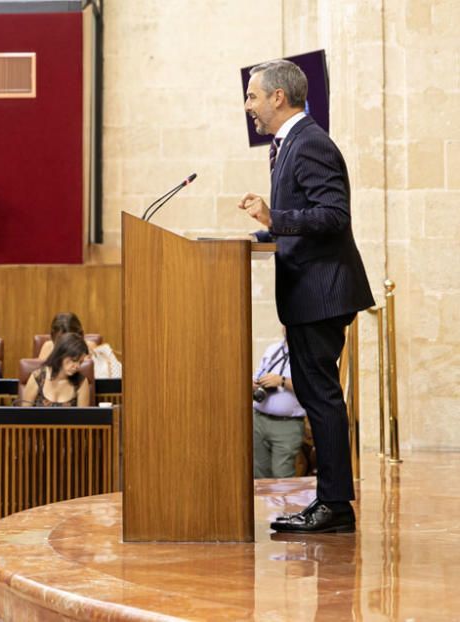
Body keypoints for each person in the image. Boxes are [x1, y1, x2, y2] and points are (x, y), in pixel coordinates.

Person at [239, 59, 374, 534]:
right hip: (310, 292)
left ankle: (335, 506)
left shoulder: (311, 142)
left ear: (279, 96)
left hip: (321, 293)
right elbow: (305, 217)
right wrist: (267, 233)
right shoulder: (288, 144)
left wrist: (276, 219)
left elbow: (333, 214)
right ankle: (331, 502)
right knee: (320, 397)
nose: (248, 105)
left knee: (321, 399)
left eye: (254, 96)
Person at [252, 334, 305, 479]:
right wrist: (256, 384)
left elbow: (310, 387)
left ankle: (284, 503)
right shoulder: (272, 349)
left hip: (287, 425)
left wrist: (281, 381)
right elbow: (256, 375)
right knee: (258, 474)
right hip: (258, 420)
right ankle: (260, 503)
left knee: (282, 476)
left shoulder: (308, 353)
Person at [37, 312, 120, 379]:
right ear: (53, 337)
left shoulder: (90, 347)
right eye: (61, 342)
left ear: (81, 336)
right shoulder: (48, 347)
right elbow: (39, 377)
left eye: (71, 342)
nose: (66, 348)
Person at [22, 334, 91, 407]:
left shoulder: (81, 382)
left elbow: (83, 417)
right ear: (61, 355)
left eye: (80, 362)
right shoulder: (38, 377)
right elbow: (24, 414)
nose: (77, 366)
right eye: (73, 360)